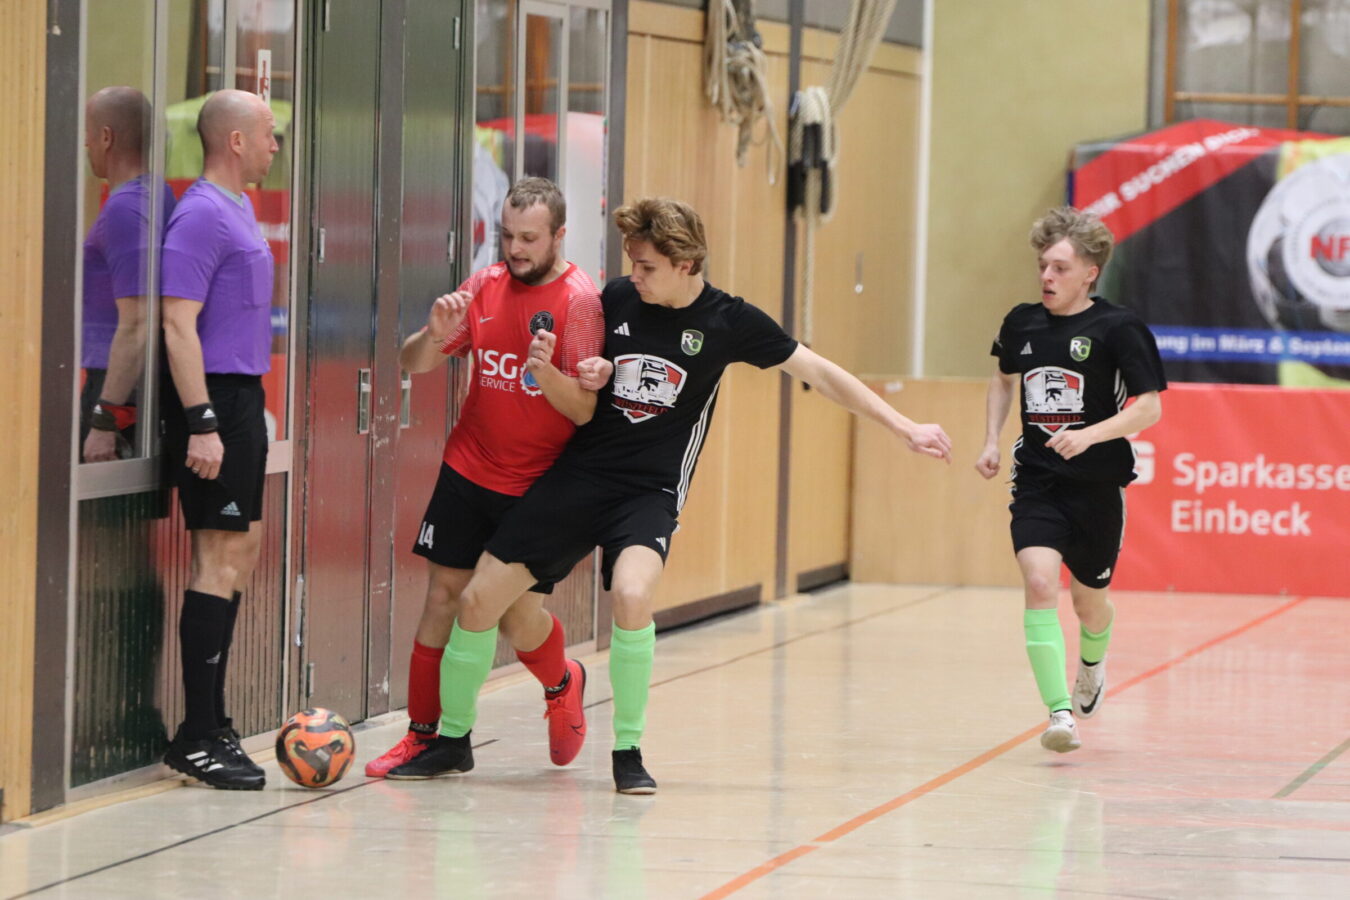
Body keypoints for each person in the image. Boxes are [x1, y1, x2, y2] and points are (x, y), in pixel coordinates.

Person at [387, 196, 953, 792]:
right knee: (478, 601)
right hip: (578, 477)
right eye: (632, 262)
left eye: (647, 266)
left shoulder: (729, 321)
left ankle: (627, 752)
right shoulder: (615, 298)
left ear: (686, 264)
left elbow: (819, 373)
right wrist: (594, 373)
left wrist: (904, 426)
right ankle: (453, 742)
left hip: (648, 493)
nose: (634, 275)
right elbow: (585, 371)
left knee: (633, 594)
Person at [367, 177, 605, 777]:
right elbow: (412, 362)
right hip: (468, 468)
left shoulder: (580, 301)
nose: (515, 249)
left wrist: (547, 374)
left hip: (538, 488)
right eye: (507, 235)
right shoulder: (484, 286)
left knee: (514, 619)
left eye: (529, 238)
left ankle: (562, 681)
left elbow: (584, 411)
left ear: (559, 235)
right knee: (442, 598)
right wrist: (432, 334)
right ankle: (428, 738)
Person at [975, 207, 1166, 753]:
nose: (1047, 276)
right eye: (1043, 265)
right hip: (1038, 482)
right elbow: (1003, 380)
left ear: (1089, 273)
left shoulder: (1118, 328)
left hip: (1097, 486)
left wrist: (1090, 436)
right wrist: (991, 440)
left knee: (1089, 602)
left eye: (1060, 268)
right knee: (1039, 584)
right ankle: (1059, 714)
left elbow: (1148, 407)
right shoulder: (1021, 323)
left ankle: (1092, 661)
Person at [159, 89, 279, 789]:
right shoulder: (200, 214)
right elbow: (178, 323)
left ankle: (213, 720)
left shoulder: (238, 207)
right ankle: (196, 737)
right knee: (217, 558)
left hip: (241, 399)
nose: (274, 146)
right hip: (214, 403)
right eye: (268, 134)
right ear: (235, 140)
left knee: (242, 552)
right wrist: (202, 421)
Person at [81, 86, 176, 462]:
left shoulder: (126, 208)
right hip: (135, 386)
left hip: (120, 389)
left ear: (106, 137)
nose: (86, 145)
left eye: (89, 134)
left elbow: (138, 319)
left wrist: (105, 419)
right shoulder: (157, 196)